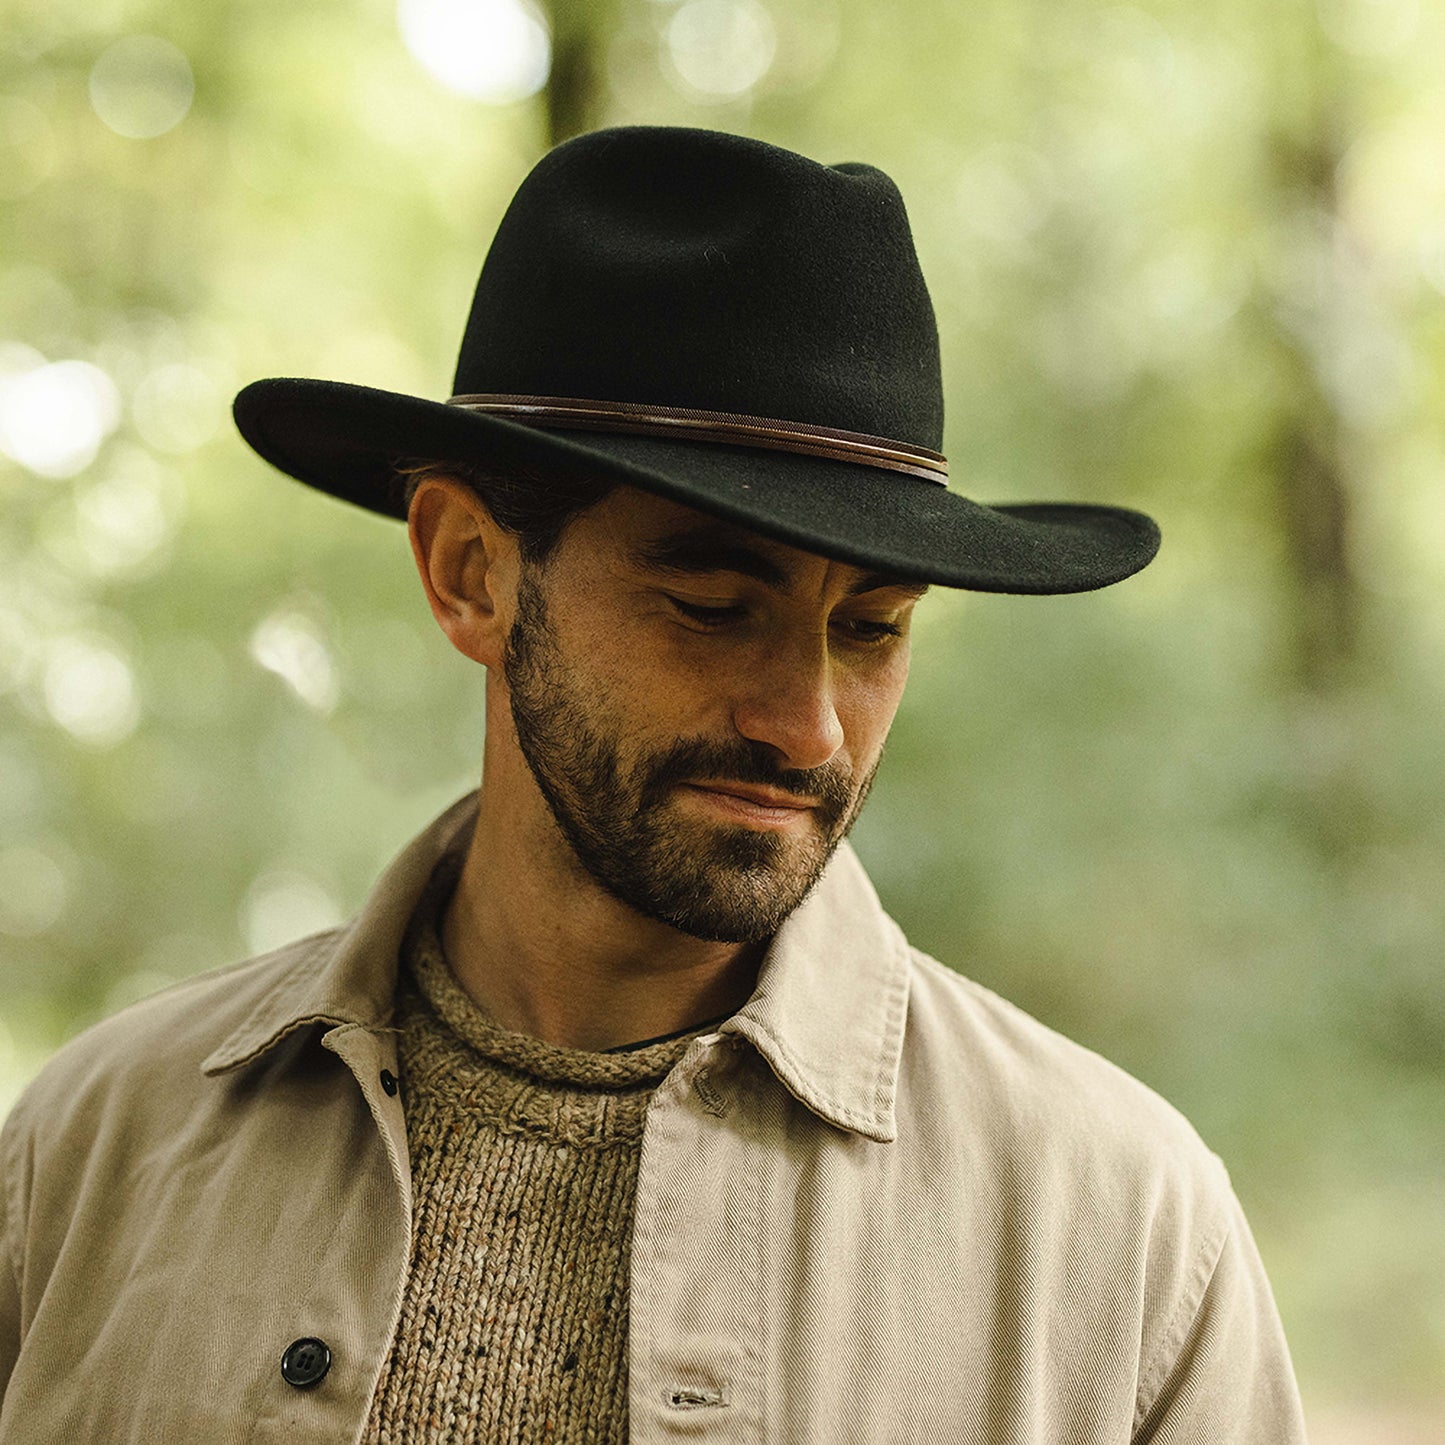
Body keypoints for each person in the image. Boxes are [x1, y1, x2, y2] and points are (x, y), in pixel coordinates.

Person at [0, 127, 1307, 1443]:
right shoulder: (91, 1153)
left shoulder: (1122, 1234)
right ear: (469, 572)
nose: (807, 727)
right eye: (713, 605)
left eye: (870, 629)